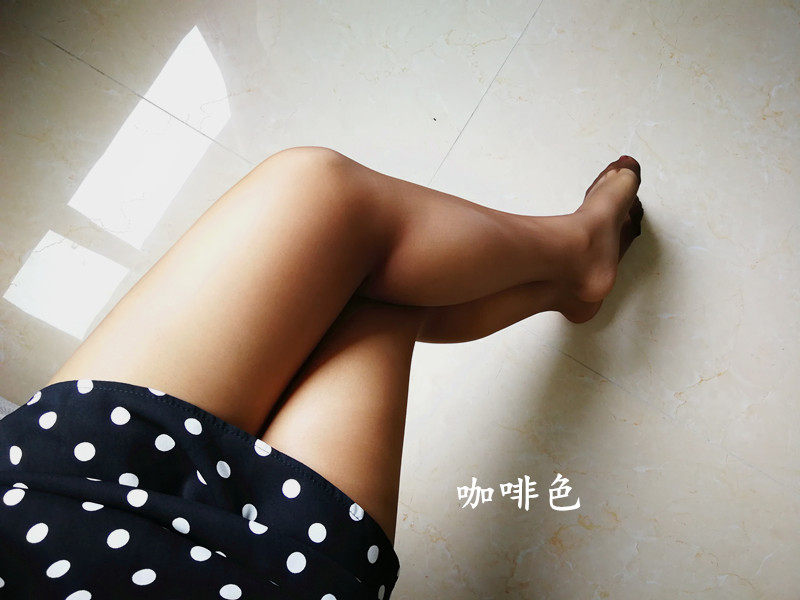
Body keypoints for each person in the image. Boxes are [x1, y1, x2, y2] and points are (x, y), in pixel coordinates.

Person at [0, 147, 643, 599]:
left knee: (327, 210)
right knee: (370, 269)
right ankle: (578, 250)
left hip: (43, 509)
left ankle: (573, 275)